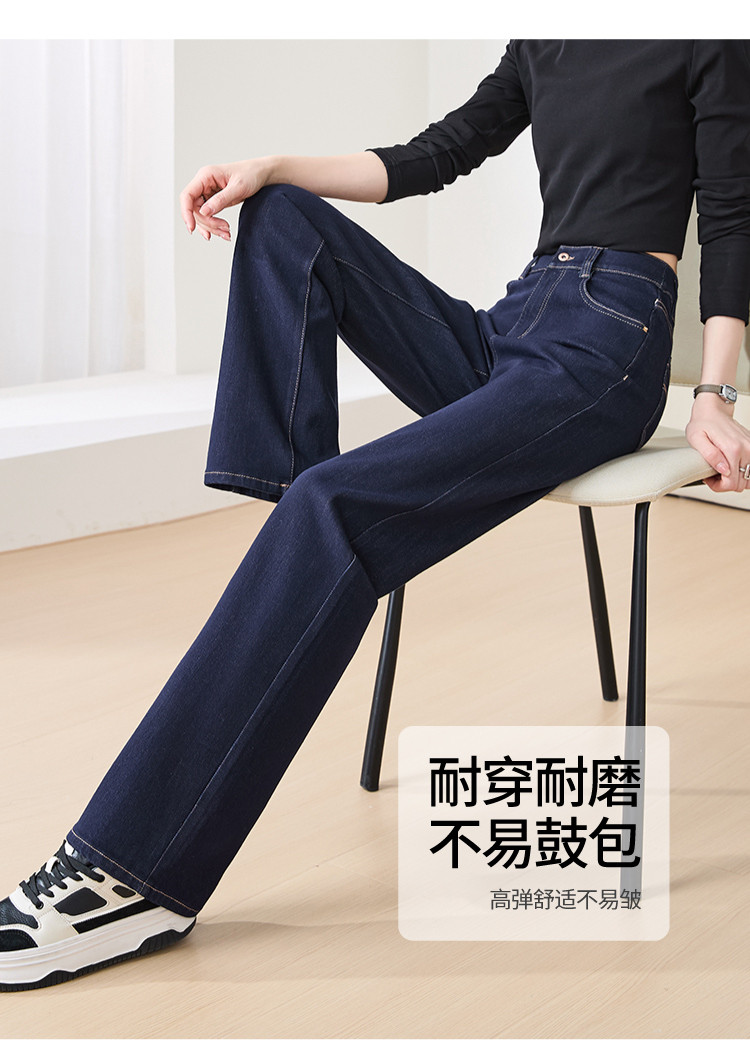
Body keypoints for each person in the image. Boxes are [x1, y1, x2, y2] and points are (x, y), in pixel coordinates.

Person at [2, 39, 749, 992]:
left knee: (333, 507)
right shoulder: (545, 38)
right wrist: (271, 165)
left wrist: (715, 391)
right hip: (516, 319)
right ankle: (298, 537)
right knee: (284, 216)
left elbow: (734, 215)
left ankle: (129, 877)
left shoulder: (704, 34)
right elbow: (430, 157)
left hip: (609, 338)